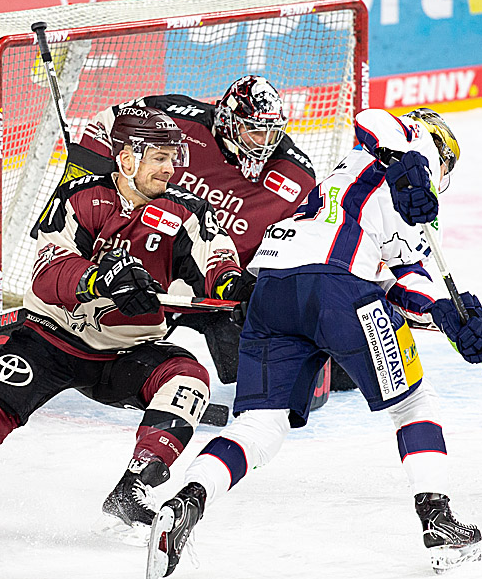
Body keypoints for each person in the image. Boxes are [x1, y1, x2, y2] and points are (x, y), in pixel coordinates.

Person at [0, 107, 245, 537]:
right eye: (160, 158)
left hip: (128, 355)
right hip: (52, 340)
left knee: (189, 378)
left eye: (174, 158)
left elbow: (218, 261)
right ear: (128, 158)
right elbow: (48, 273)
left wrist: (234, 289)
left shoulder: (188, 213)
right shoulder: (78, 198)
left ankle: (132, 491)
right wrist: (99, 278)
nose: (171, 169)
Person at [146, 107, 482, 579]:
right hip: (336, 290)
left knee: (260, 426)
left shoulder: (357, 174)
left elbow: (405, 278)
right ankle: (438, 522)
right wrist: (406, 157)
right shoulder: (407, 154)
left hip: (270, 292)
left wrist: (449, 315)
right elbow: (372, 117)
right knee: (414, 403)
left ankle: (190, 499)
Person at [80, 75, 327, 387]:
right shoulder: (175, 118)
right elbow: (105, 124)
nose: (263, 142)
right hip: (142, 265)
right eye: (253, 130)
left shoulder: (296, 176)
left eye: (271, 132)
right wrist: (88, 186)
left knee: (272, 381)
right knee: (98, 345)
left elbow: (301, 242)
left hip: (220, 290)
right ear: (226, 120)